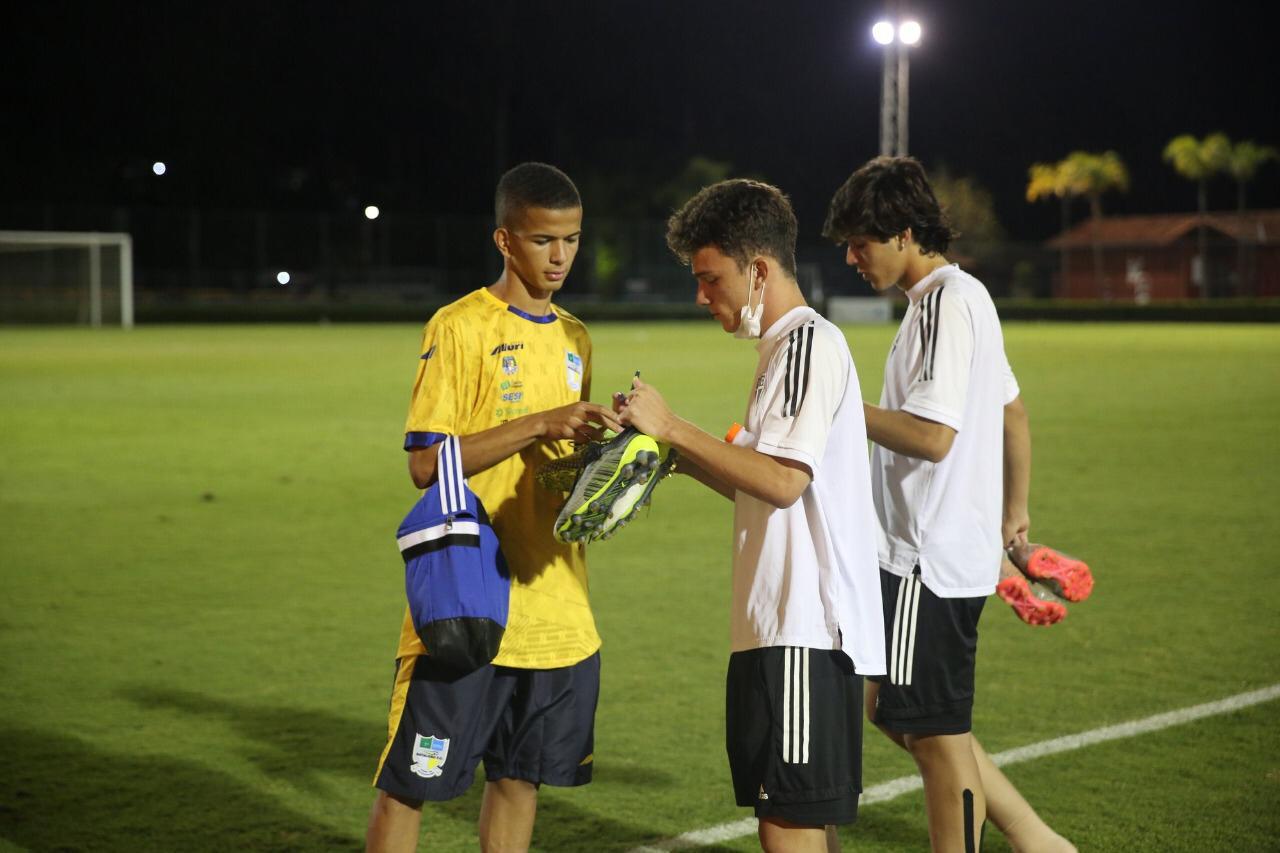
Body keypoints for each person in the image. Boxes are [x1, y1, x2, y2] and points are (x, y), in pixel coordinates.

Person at [618, 179, 886, 853]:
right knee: (800, 820)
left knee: (787, 823)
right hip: (782, 629)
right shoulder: (783, 351)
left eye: (711, 279)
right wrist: (668, 457)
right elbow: (763, 484)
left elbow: (782, 481)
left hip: (802, 627)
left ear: (758, 269)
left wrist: (674, 426)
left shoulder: (804, 346)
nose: (703, 296)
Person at [365, 162, 621, 853]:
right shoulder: (459, 327)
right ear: (505, 241)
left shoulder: (576, 338)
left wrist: (613, 465)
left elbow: (558, 463)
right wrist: (541, 422)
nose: (561, 255)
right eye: (544, 240)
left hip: (558, 609)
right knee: (410, 785)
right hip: (469, 604)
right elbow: (426, 463)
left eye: (571, 239)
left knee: (519, 781)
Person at [822, 155, 1075, 852]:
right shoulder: (964, 297)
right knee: (909, 714)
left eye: (860, 242)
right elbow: (1013, 411)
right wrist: (1014, 518)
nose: (851, 257)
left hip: (923, 560)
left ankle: (1022, 837)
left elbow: (932, 437)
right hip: (945, 551)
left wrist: (840, 408)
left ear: (903, 233)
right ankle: (1034, 836)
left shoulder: (942, 307)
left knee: (932, 732)